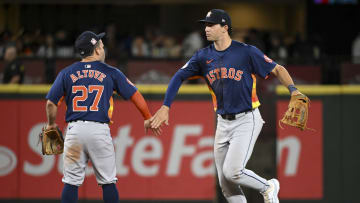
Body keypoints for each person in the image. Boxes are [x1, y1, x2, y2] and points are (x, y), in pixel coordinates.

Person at [150, 9, 305, 203]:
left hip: (247, 119)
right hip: (222, 123)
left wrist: (293, 90)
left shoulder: (246, 52)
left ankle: (269, 186)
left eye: (211, 24)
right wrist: (166, 106)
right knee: (226, 183)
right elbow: (179, 76)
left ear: (225, 28)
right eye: (205, 25)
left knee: (232, 172)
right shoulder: (202, 57)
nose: (206, 29)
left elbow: (277, 69)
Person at [45, 31, 160, 203]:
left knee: (71, 182)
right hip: (99, 130)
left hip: (75, 131)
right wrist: (147, 116)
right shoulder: (111, 72)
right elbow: (135, 95)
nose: (103, 49)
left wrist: (51, 124)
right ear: (97, 50)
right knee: (108, 182)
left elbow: (50, 103)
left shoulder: (66, 73)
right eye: (102, 46)